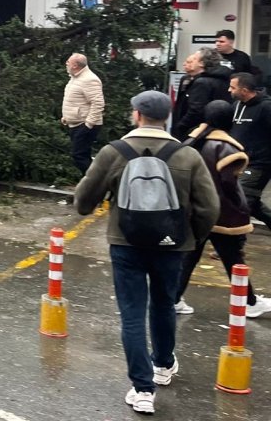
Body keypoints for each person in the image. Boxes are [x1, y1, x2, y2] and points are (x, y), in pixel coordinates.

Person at [72, 91, 219, 415]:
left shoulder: (115, 152)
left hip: (126, 244)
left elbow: (83, 201)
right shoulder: (187, 156)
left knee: (132, 314)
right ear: (166, 117)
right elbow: (210, 207)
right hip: (172, 246)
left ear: (136, 114)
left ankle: (142, 389)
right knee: (164, 304)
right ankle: (164, 365)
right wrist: (190, 237)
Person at [175, 100, 271, 317]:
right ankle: (250, 302)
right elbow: (229, 184)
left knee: (189, 257)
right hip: (222, 214)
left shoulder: (192, 142)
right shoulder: (227, 148)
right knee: (233, 258)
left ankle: (173, 298)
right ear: (230, 121)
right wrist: (241, 206)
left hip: (194, 211)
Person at [229, 72, 271, 232]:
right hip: (238, 162)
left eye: (232, 87)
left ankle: (234, 246)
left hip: (258, 164)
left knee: (242, 202)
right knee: (251, 204)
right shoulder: (236, 106)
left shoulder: (266, 107)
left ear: (244, 90)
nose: (229, 90)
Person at [170, 48, 231, 139]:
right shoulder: (222, 79)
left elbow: (196, 110)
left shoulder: (202, 82)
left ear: (202, 63)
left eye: (194, 59)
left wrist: (180, 126)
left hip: (195, 133)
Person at [61, 53, 105, 174]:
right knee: (82, 156)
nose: (66, 64)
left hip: (85, 125)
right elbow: (75, 100)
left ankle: (96, 183)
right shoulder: (75, 77)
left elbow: (98, 104)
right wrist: (67, 117)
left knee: (79, 156)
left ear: (75, 65)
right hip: (75, 123)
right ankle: (92, 186)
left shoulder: (90, 79)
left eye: (68, 62)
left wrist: (88, 124)